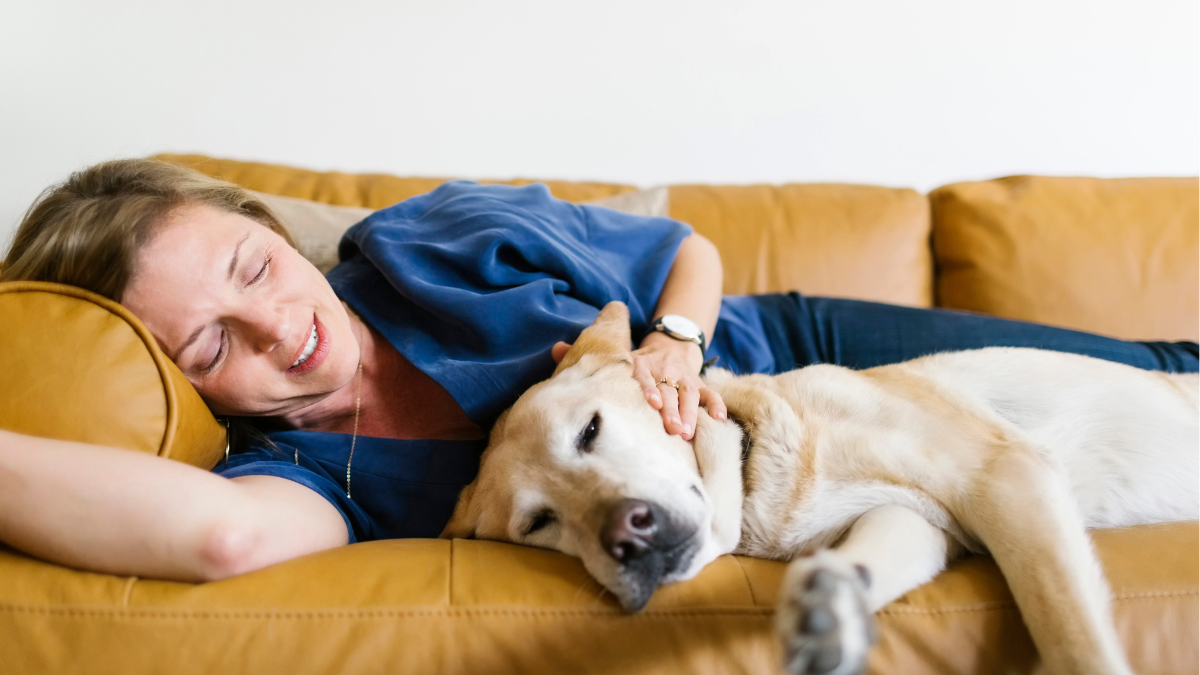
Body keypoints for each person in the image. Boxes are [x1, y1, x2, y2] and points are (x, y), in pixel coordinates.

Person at [1, 159, 1195, 584]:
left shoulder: (438, 239)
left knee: (1158, 373)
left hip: (791, 352)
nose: (272, 331)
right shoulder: (305, 469)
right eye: (209, 346)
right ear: (177, 384)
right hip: (790, 498)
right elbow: (224, 543)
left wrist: (677, 340)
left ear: (271, 228)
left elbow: (684, 252)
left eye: (254, 269)